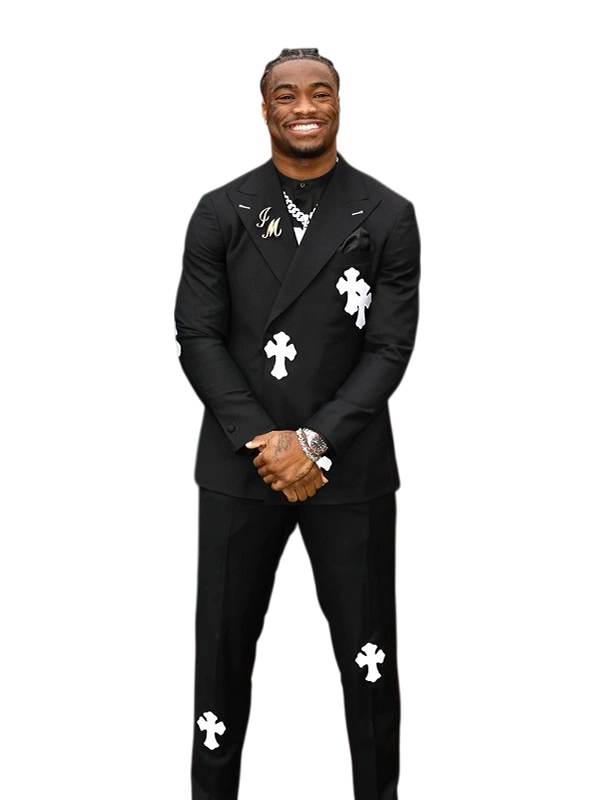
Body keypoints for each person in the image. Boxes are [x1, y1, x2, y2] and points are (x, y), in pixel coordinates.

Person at [174, 47, 421, 800]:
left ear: (339, 103)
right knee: (220, 660)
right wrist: (268, 442)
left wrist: (314, 442)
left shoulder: (386, 214)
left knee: (369, 660)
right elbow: (197, 335)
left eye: (320, 92)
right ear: (265, 109)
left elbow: (389, 347)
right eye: (287, 95)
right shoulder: (222, 212)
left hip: (350, 469)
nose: (304, 106)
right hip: (239, 466)